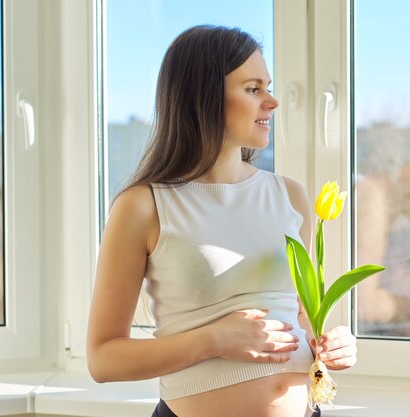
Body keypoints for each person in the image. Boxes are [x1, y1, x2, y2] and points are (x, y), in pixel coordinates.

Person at [86, 25, 358, 417]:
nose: (272, 101)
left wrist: (331, 342)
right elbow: (103, 358)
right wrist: (212, 340)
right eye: (253, 89)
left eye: (269, 86)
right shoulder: (143, 206)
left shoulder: (290, 196)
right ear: (204, 97)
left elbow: (299, 314)